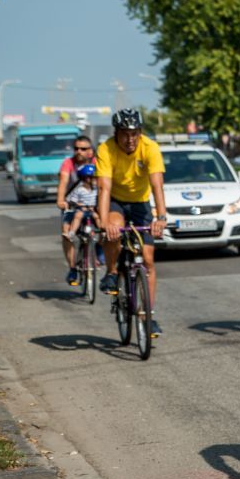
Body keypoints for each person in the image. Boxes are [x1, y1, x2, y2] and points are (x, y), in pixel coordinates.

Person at [96, 109, 168, 337]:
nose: (130, 139)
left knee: (148, 259)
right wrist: (104, 222)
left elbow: (157, 185)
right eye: (125, 134)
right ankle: (111, 272)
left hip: (140, 203)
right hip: (116, 200)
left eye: (134, 133)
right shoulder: (106, 149)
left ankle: (148, 316)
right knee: (114, 229)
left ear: (140, 132)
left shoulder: (150, 148)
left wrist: (161, 217)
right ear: (116, 133)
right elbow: (103, 188)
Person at [57, 134, 97, 283]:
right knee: (66, 232)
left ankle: (100, 252)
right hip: (73, 204)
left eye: (83, 149)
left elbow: (104, 183)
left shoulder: (97, 163)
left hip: (92, 204)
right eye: (76, 148)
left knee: (106, 225)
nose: (79, 151)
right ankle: (73, 268)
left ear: (90, 150)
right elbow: (63, 182)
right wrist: (60, 200)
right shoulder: (68, 163)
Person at [62, 164, 100, 282]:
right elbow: (72, 201)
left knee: (97, 217)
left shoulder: (97, 189)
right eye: (87, 178)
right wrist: (80, 205)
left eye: (92, 177)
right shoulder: (79, 189)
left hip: (92, 211)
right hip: (81, 210)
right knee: (77, 216)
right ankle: (72, 232)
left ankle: (102, 232)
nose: (90, 180)